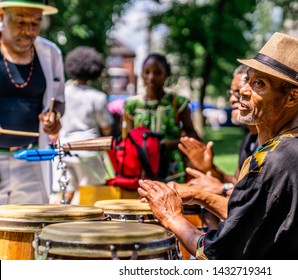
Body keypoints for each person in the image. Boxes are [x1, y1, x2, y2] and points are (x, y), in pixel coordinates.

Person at [138, 32, 298, 260]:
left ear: (293, 97)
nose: (244, 91)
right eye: (248, 79)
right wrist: (199, 195)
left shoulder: (280, 160)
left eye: (259, 84)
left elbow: (218, 256)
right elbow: (253, 217)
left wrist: (171, 217)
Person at [0, 1, 64, 204]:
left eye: (35, 23)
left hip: (31, 159)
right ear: (2, 15)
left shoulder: (50, 53)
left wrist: (54, 116)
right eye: (20, 22)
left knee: (29, 228)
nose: (28, 31)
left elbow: (59, 100)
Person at [179, 65, 258, 197]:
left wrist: (223, 189)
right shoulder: (249, 139)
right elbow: (237, 183)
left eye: (239, 93)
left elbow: (253, 200)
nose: (232, 99)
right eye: (232, 93)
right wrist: (208, 168)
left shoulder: (271, 143)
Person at [51, 46, 114, 204]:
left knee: (64, 193)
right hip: (89, 152)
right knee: (91, 198)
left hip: (63, 149)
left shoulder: (63, 91)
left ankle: (57, 225)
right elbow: (106, 127)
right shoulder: (97, 97)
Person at [123, 53, 199, 183]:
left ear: (166, 74)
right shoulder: (132, 105)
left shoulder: (177, 103)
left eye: (157, 73)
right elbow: (127, 139)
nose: (151, 77)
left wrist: (166, 145)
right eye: (147, 72)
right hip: (142, 168)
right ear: (141, 74)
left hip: (171, 168)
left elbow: (192, 135)